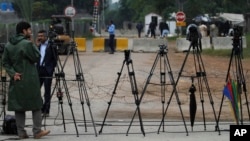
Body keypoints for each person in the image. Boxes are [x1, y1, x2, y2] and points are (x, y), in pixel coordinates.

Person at [2, 21, 50, 139]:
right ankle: (37, 131)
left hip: (16, 79)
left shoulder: (8, 45)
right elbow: (36, 57)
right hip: (30, 79)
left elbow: (5, 62)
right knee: (37, 104)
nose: (30, 32)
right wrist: (32, 43)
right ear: (24, 31)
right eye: (29, 30)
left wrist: (13, 74)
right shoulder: (26, 44)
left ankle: (21, 132)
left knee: (19, 106)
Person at [36, 29, 57, 117]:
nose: (39, 38)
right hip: (39, 69)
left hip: (47, 70)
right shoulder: (38, 46)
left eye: (41, 36)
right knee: (36, 90)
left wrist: (51, 69)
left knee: (47, 91)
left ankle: (46, 110)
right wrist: (36, 46)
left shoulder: (51, 45)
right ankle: (41, 107)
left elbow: (55, 59)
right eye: (39, 36)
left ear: (45, 36)